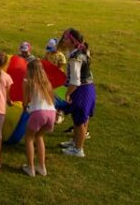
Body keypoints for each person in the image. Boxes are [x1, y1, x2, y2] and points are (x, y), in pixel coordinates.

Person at [57, 28, 95, 157]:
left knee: (79, 120)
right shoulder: (82, 51)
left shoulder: (75, 58)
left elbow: (75, 80)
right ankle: (76, 142)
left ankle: (78, 149)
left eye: (66, 38)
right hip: (88, 87)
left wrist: (67, 93)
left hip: (80, 89)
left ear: (73, 41)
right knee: (83, 117)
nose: (64, 40)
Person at [21, 59, 57, 177]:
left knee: (29, 138)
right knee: (40, 137)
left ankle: (30, 168)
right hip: (51, 114)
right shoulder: (47, 83)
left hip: (38, 113)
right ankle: (42, 167)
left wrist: (25, 108)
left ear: (30, 70)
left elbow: (25, 102)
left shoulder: (28, 82)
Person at [44, 38, 67, 124]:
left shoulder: (60, 56)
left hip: (58, 78)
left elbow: (60, 68)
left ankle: (60, 113)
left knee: (60, 95)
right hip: (49, 77)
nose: (51, 51)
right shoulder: (48, 54)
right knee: (50, 95)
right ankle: (50, 113)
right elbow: (45, 62)